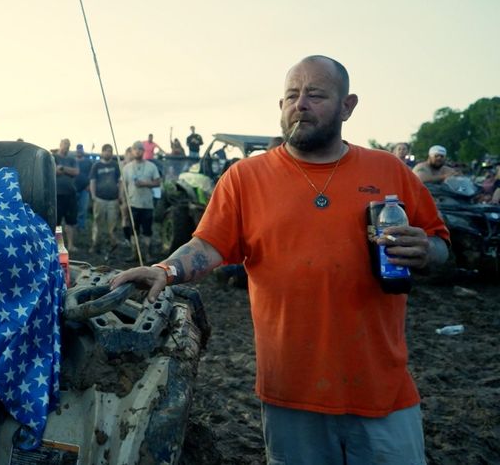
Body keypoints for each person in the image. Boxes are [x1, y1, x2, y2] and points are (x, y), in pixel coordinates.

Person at [111, 55, 450, 465]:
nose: (300, 103)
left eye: (315, 94)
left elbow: (440, 245)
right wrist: (165, 269)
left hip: (382, 391)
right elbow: (208, 245)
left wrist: (426, 250)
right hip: (291, 393)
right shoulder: (245, 178)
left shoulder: (389, 169)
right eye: (291, 95)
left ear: (348, 106)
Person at [121, 140, 161, 262]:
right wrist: (123, 201)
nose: (138, 151)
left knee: (147, 231)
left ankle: (148, 254)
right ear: (132, 151)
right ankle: (134, 254)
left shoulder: (151, 166)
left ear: (143, 151)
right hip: (133, 204)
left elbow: (158, 182)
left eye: (140, 149)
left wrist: (145, 183)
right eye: (135, 149)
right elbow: (124, 186)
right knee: (134, 230)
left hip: (147, 204)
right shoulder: (127, 168)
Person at [88, 143, 121, 255]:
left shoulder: (116, 165)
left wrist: (120, 196)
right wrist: (93, 196)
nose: (108, 153)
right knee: (97, 223)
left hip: (113, 200)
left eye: (110, 151)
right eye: (106, 150)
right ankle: (95, 244)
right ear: (102, 152)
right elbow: (92, 181)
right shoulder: (96, 166)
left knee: (113, 225)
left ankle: (113, 245)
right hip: (99, 199)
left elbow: (119, 182)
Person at [53, 138, 79, 251]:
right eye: (65, 144)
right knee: (57, 222)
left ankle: (70, 245)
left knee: (70, 221)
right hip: (57, 194)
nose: (67, 147)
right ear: (60, 144)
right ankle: (58, 245)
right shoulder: (54, 157)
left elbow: (76, 172)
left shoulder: (72, 159)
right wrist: (65, 170)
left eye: (68, 145)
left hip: (70, 193)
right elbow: (54, 171)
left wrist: (62, 168)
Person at [73, 143, 93, 232]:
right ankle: (73, 226)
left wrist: (89, 186)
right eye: (78, 150)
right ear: (76, 151)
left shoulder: (88, 162)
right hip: (73, 189)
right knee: (73, 209)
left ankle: (81, 227)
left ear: (83, 151)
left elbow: (91, 175)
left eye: (81, 150)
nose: (79, 151)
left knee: (83, 209)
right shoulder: (72, 161)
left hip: (85, 189)